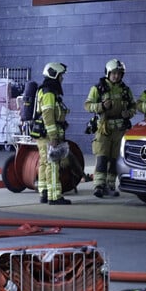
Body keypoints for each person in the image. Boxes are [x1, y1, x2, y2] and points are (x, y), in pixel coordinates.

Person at [84, 59, 136, 198]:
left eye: (119, 74)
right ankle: (99, 186)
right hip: (103, 128)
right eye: (113, 73)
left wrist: (128, 113)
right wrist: (101, 106)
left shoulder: (125, 90)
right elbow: (88, 105)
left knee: (114, 159)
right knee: (102, 158)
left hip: (119, 130)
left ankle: (110, 185)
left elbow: (133, 106)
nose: (116, 76)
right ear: (108, 73)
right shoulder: (98, 88)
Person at [33, 62, 72, 205]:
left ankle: (44, 192)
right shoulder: (49, 92)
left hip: (43, 135)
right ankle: (54, 196)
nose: (62, 78)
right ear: (54, 74)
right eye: (61, 75)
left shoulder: (45, 90)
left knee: (44, 163)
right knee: (53, 165)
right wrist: (54, 137)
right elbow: (48, 115)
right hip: (49, 136)